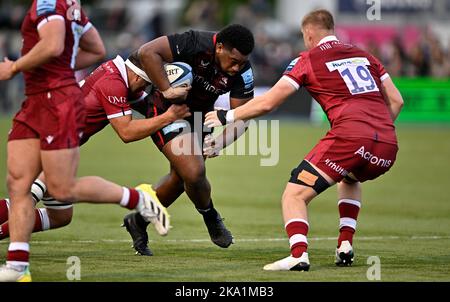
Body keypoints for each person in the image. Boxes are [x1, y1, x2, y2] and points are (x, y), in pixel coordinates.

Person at [205, 9, 404, 271]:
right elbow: (397, 100)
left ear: (309, 34)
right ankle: (345, 243)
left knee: (294, 194)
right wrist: (375, 130)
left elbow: (269, 102)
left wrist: (226, 115)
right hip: (387, 145)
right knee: (350, 177)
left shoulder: (308, 59)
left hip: (350, 136)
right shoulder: (366, 56)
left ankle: (298, 253)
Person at [0, 0, 166, 282]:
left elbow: (53, 46)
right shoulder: (71, 6)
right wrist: (56, 69)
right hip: (40, 102)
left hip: (55, 104)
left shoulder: (48, 4)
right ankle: (17, 265)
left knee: (56, 188)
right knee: (20, 184)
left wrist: (15, 66)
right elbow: (96, 49)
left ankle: (138, 198)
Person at [0, 51, 191, 242]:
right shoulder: (113, 82)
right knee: (26, 199)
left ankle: (136, 198)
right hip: (47, 141)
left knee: (60, 216)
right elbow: (127, 132)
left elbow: (149, 108)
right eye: (147, 83)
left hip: (55, 138)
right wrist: (168, 117)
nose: (146, 88)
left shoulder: (122, 76)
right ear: (138, 75)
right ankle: (138, 198)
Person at [122, 24, 256, 256]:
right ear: (220, 47)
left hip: (199, 118)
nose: (237, 67)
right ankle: (210, 215)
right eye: (233, 60)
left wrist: (219, 142)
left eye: (242, 62)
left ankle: (139, 220)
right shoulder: (194, 42)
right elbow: (147, 52)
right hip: (167, 109)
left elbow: (242, 118)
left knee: (181, 177)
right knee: (194, 171)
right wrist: (166, 89)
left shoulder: (244, 72)